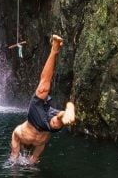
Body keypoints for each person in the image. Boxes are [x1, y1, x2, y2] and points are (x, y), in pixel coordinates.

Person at [9, 34, 76, 164]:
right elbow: (33, 158)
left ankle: (66, 113)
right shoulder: (34, 141)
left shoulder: (22, 135)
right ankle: (68, 110)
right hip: (40, 116)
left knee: (56, 122)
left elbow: (15, 155)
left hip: (37, 121)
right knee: (45, 84)